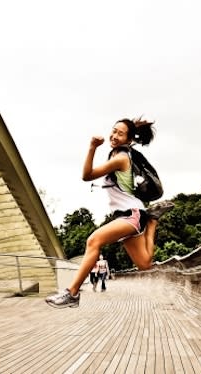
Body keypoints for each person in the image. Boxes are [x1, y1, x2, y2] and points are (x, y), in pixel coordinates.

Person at [46, 117, 174, 308]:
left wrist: (92, 146)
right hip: (129, 215)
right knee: (144, 264)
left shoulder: (121, 158)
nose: (114, 136)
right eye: (113, 131)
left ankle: (72, 293)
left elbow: (87, 175)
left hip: (131, 214)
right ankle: (153, 221)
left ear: (129, 140)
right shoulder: (119, 156)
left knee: (93, 241)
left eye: (120, 134)